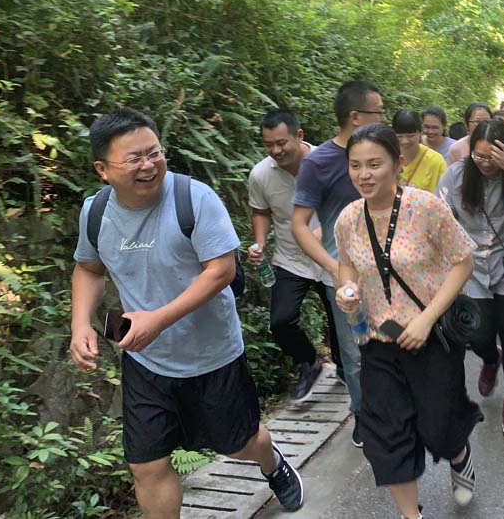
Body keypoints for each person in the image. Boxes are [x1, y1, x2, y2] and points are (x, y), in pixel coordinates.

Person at [69, 109, 304, 516]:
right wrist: (79, 324)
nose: (149, 166)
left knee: (240, 444)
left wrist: (158, 319)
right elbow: (89, 269)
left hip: (213, 356)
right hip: (146, 362)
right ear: (102, 169)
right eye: (134, 159)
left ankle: (273, 463)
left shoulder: (194, 198)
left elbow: (221, 270)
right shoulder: (96, 212)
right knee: (146, 465)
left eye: (154, 153)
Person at [334, 125, 482, 519]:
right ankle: (410, 514)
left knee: (438, 427)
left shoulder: (426, 208)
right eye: (355, 165)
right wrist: (347, 289)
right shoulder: (348, 219)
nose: (364, 174)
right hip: (378, 340)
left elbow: (463, 262)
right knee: (385, 432)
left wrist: (427, 318)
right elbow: (347, 265)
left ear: (397, 163)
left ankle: (458, 453)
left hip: (432, 339)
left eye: (374, 164)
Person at [292, 79, 385, 447]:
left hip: (392, 273)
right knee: (356, 351)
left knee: (393, 341)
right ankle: (365, 415)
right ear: (356, 116)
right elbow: (299, 225)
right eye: (379, 111)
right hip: (347, 281)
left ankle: (394, 407)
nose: (384, 118)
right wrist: (332, 267)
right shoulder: (319, 163)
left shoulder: (384, 153)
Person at [437, 121, 504, 437]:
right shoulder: (456, 175)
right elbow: (440, 219)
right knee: (478, 335)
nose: (484, 163)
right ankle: (490, 358)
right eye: (479, 156)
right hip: (472, 268)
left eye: (492, 157)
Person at [248, 109, 340, 403]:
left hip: (331, 256)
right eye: (269, 144)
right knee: (281, 321)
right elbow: (261, 211)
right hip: (290, 258)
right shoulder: (261, 174)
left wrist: (323, 232)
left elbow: (350, 205)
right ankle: (309, 363)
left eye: (281, 143)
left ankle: (344, 366)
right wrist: (260, 242)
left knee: (340, 320)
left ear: (299, 136)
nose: (276, 150)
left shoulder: (329, 163)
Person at [393, 109, 447, 193]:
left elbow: (444, 194)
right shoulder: (388, 156)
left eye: (411, 136)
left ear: (421, 132)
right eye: (399, 136)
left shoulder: (436, 162)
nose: (405, 141)